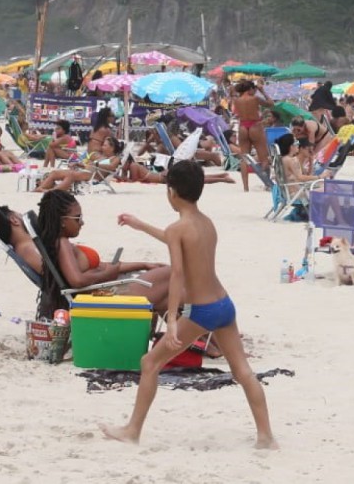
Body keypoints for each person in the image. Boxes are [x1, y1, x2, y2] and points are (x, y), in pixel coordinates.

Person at [101, 161, 276, 448]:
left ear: (171, 192)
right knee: (243, 372)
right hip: (224, 304)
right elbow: (180, 241)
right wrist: (141, 225)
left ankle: (132, 431)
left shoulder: (177, 228)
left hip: (201, 312)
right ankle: (266, 437)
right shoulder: (205, 223)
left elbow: (178, 274)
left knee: (149, 363)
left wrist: (170, 320)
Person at [22, 192, 171, 319]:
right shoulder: (62, 244)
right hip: (105, 297)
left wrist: (143, 264)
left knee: (168, 297)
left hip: (105, 291)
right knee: (172, 274)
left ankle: (187, 344)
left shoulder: (62, 244)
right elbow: (77, 280)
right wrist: (107, 274)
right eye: (77, 218)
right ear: (62, 221)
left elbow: (103, 266)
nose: (82, 222)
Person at [233, 81, 273, 176]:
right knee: (263, 158)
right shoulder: (255, 98)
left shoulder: (236, 100)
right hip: (255, 126)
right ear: (250, 89)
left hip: (242, 126)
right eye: (254, 90)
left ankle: (246, 187)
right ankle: (266, 184)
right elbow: (271, 103)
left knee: (244, 158)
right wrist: (262, 91)